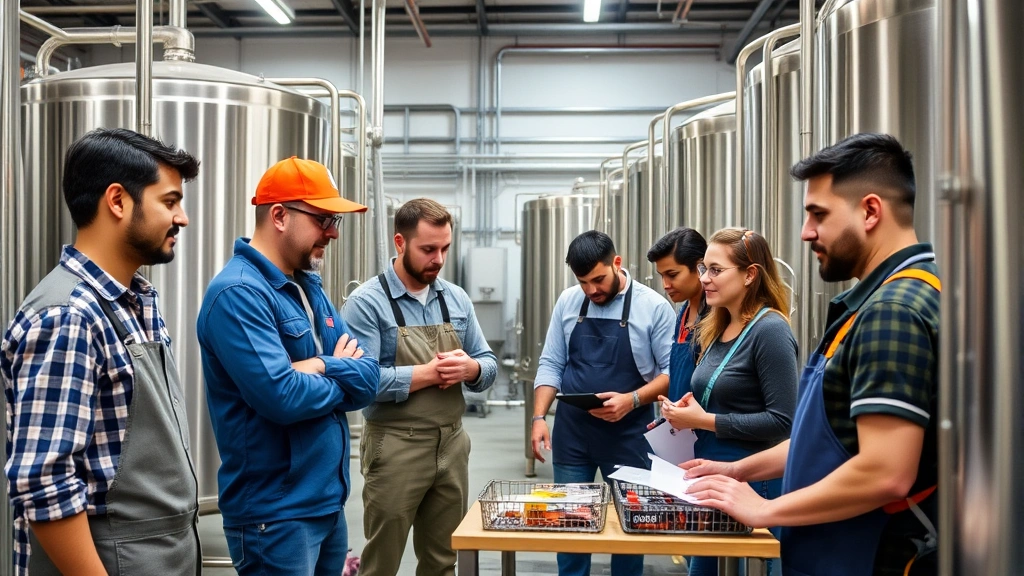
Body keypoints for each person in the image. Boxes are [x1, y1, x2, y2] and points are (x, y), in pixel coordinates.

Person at [684, 133, 940, 576]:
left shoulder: (891, 311)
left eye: (818, 214)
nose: (806, 232)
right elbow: (830, 441)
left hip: (866, 553)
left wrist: (767, 509)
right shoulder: (883, 299)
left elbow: (885, 472)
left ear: (871, 211)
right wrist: (737, 470)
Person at [1, 128, 201, 575]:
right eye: (169, 202)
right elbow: (43, 481)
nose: (182, 218)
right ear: (118, 201)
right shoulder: (68, 315)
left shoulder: (135, 302)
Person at [197, 157, 380, 575]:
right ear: (279, 215)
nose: (333, 231)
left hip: (327, 504)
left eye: (335, 220)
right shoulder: (238, 294)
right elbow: (281, 396)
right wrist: (338, 368)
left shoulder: (307, 284)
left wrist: (317, 364)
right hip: (275, 517)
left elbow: (369, 378)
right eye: (323, 218)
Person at [341, 198, 497, 576]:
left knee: (444, 559)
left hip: (452, 442)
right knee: (382, 560)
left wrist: (472, 367)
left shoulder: (456, 298)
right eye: (428, 249)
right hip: (395, 445)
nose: (438, 258)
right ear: (400, 242)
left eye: (444, 248)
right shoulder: (367, 304)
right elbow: (360, 382)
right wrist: (428, 374)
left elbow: (488, 364)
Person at [531, 230, 675, 576]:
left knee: (630, 528)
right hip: (573, 433)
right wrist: (538, 417)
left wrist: (633, 399)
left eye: (598, 279)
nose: (592, 290)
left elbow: (673, 372)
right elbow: (551, 362)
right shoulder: (568, 301)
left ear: (617, 263)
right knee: (569, 526)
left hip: (629, 434)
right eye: (583, 282)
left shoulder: (653, 307)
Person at [661, 228, 797, 576]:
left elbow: (784, 421)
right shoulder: (718, 324)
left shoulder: (770, 331)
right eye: (704, 269)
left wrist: (704, 420)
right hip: (713, 478)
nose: (705, 278)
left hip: (752, 481)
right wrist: (689, 411)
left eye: (716, 270)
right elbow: (722, 395)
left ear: (750, 274)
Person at [646, 226, 709, 403]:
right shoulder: (682, 313)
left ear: (700, 268)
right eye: (661, 276)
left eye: (672, 275)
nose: (665, 284)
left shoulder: (718, 316)